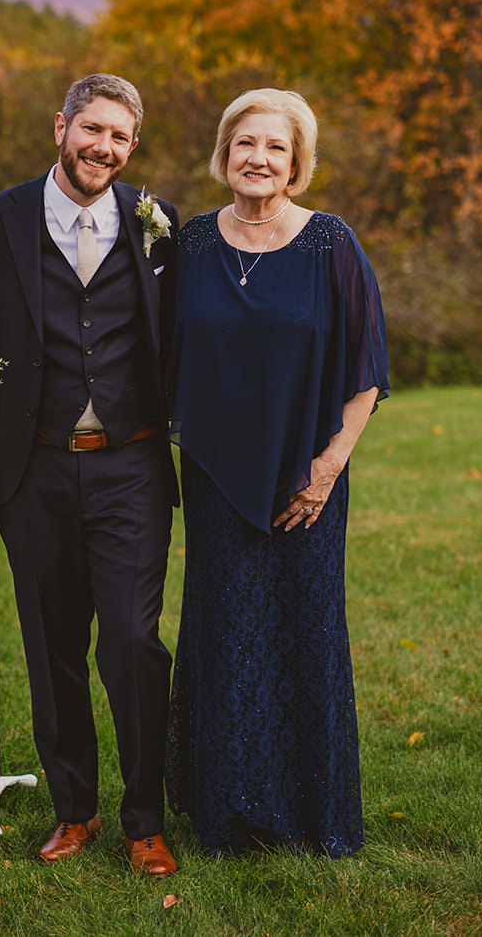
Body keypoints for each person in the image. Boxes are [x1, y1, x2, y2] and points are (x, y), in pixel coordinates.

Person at [0, 73, 182, 877]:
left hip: (132, 466)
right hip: (36, 466)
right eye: (93, 129)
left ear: (133, 145)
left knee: (131, 640)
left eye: (120, 136)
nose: (104, 147)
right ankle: (73, 808)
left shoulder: (158, 221)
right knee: (53, 644)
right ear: (61, 127)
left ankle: (145, 818)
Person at [165, 89, 388, 857]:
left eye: (276, 147)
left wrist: (326, 468)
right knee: (225, 632)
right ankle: (230, 811)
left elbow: (367, 368)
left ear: (297, 164)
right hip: (215, 474)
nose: (258, 158)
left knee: (305, 629)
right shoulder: (193, 243)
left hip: (306, 476)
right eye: (245, 143)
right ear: (225, 152)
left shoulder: (331, 244)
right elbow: (158, 348)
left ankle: (312, 810)